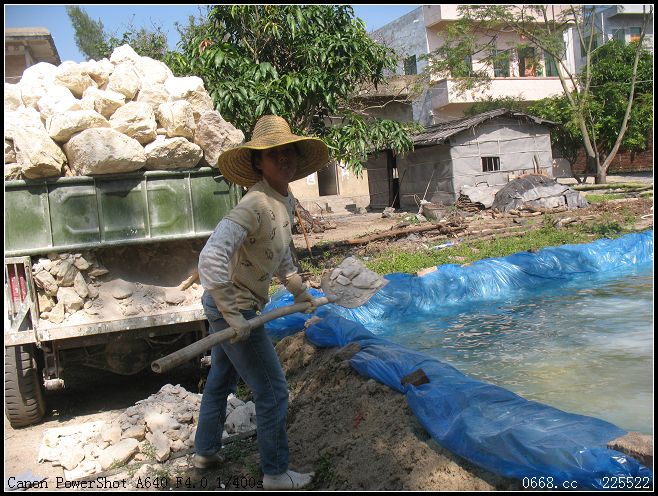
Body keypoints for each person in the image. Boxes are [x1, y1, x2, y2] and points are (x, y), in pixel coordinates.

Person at [194, 115, 329, 490]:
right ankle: (275, 473)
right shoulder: (254, 203)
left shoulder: (283, 199)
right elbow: (211, 258)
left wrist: (299, 290)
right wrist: (232, 313)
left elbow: (280, 253)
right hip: (232, 307)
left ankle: (205, 450)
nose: (284, 159)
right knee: (272, 390)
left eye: (289, 152)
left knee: (221, 378)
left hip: (234, 306)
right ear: (258, 162)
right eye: (273, 154)